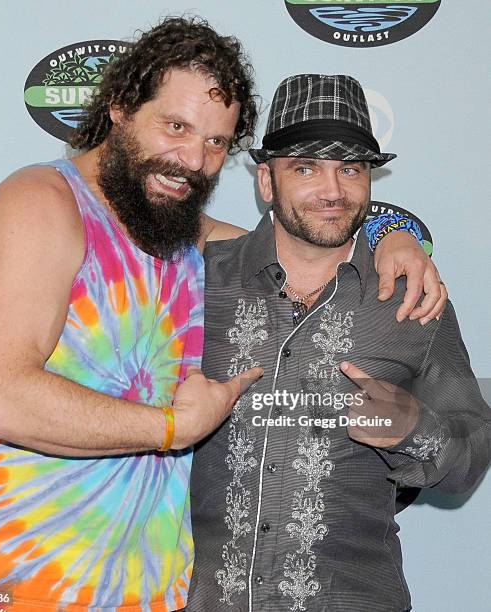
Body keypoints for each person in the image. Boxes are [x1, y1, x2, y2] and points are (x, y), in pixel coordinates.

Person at [0, 18, 444, 612]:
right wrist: (173, 430)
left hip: (152, 590)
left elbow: (307, 246)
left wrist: (391, 238)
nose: (192, 160)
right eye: (176, 127)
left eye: (215, 143)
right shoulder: (41, 205)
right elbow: (1, 400)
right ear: (121, 108)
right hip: (18, 582)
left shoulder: (174, 225)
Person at [187, 74, 491, 612]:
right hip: (201, 597)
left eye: (350, 168)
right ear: (266, 181)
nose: (332, 190)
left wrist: (413, 430)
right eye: (305, 168)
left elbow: (470, 457)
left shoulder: (411, 300)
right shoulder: (199, 283)